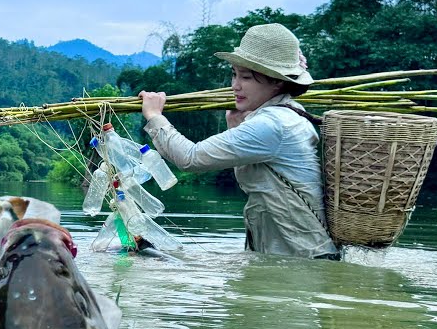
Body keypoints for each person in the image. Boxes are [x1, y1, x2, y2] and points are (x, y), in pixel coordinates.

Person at [139, 23, 341, 260]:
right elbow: (260, 178)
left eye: (245, 77)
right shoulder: (288, 114)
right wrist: (236, 126)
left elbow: (190, 158)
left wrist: (154, 116)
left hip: (302, 262)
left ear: (277, 81)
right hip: (288, 258)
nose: (235, 85)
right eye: (234, 74)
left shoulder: (272, 124)